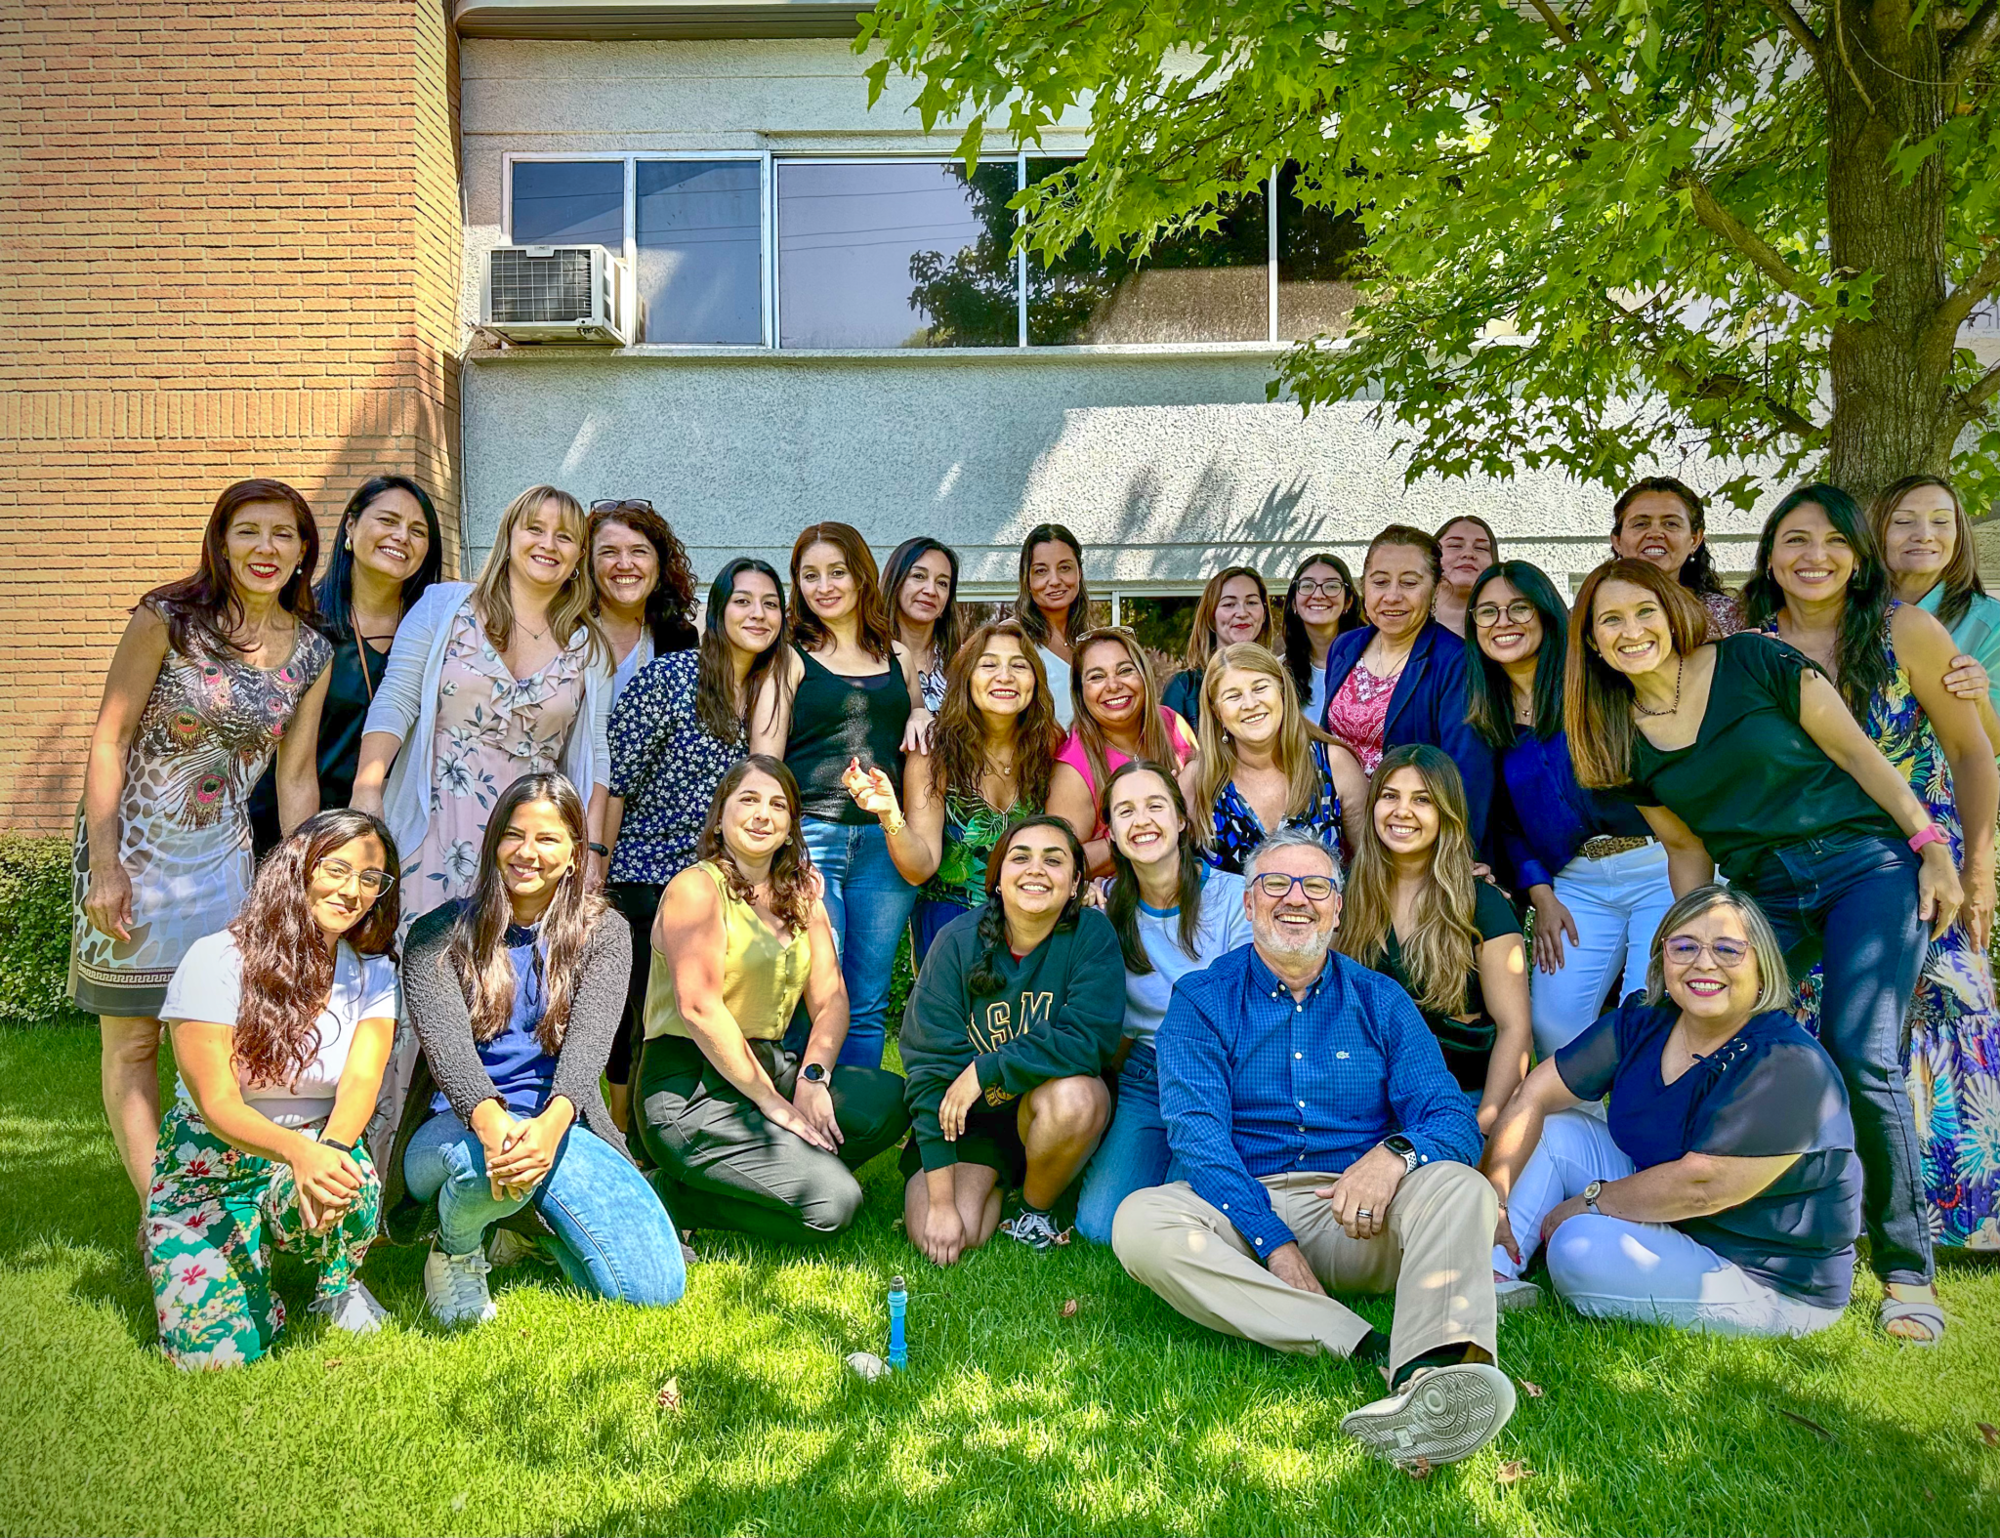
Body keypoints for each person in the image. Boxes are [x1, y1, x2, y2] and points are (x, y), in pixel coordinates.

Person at [1566, 557, 1961, 1343]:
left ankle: (1906, 1272)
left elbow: (1857, 754)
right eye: (1609, 622)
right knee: (1677, 1019)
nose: (1631, 631)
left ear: (1672, 610)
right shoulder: (1622, 736)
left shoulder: (1753, 659)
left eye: (1642, 610)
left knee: (1860, 1049)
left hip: (1863, 863)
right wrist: (1677, 951)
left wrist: (1930, 844)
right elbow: (1686, 852)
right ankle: (1704, 1211)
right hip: (1762, 893)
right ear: (1595, 646)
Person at [1113, 829, 1515, 1470]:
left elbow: (1449, 1118)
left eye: (1316, 885)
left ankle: (1438, 1376)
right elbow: (1198, 1135)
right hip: (1246, 1208)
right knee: (1139, 1222)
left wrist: (1392, 1157)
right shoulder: (1202, 999)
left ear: (1338, 906)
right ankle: (1358, 1343)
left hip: (1362, 1212)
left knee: (1461, 1185)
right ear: (1248, 904)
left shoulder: (1382, 1000)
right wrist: (1272, 1242)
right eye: (1276, 884)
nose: (1295, 899)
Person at [1743, 483, 1999, 1258]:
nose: (1814, 557)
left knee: (1925, 1028)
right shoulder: (1753, 649)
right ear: (1769, 557)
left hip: (1927, 857)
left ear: (1858, 557)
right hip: (1810, 869)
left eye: (1832, 542)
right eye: (1794, 540)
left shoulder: (1907, 630)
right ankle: (1838, 1205)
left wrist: (1979, 868)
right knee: (1826, 1030)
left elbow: (1971, 751)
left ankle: (1956, 1215)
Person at [72, 477, 335, 1197]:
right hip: (133, 853)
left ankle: (210, 1189)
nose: (266, 548)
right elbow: (109, 740)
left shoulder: (313, 650)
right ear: (221, 541)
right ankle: (161, 1210)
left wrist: (302, 884)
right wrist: (105, 863)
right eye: (249, 530)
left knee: (214, 1038)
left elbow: (297, 776)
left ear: (305, 551)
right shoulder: (168, 618)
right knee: (131, 1042)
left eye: (284, 534)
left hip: (224, 860)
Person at [1485, 887, 1865, 1336]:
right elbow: (1534, 1095)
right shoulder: (1647, 1021)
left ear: (1762, 966)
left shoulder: (1786, 1062)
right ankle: (1491, 1273)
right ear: (1662, 957)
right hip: (1677, 1220)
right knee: (1555, 1129)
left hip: (1762, 1274)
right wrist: (1494, 1197)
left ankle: (1570, 1250)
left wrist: (1589, 1203)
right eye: (1684, 946)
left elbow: (1704, 1186)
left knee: (1578, 1245)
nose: (1704, 963)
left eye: (1728, 949)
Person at [384, 772, 684, 1325]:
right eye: (514, 835)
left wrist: (546, 1131)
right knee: (486, 1166)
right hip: (456, 1130)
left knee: (653, 1288)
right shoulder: (435, 935)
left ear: (575, 854)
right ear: (494, 842)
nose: (528, 852)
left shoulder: (607, 935)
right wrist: (497, 1127)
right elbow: (452, 1060)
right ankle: (456, 1248)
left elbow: (588, 1053)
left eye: (547, 839)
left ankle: (524, 1227)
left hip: (559, 1127)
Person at [145, 809, 401, 1368]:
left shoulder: (374, 972)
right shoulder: (216, 959)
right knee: (216, 1360)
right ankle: (239, 1273)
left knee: (349, 1180)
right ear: (299, 867)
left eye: (370, 878)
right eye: (336, 869)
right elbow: (216, 1104)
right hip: (209, 1170)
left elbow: (361, 1079)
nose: (353, 890)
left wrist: (329, 1153)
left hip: (311, 1149)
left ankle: (337, 1287)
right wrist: (296, 1152)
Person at [635, 757, 911, 1240]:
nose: (763, 814)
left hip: (772, 1068)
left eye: (778, 805)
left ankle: (772, 1168)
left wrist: (812, 1078)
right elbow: (698, 1007)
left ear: (789, 828)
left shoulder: (802, 894)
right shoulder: (696, 888)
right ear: (720, 817)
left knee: (890, 1101)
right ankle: (671, 1196)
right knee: (833, 1204)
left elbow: (831, 1000)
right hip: (691, 1088)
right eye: (749, 800)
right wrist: (772, 1103)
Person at [353, 484, 612, 923]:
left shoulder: (588, 648)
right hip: (432, 819)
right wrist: (367, 792)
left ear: (578, 556)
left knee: (505, 972)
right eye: (535, 529)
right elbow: (395, 700)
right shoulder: (443, 609)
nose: (548, 544)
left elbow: (596, 757)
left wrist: (590, 853)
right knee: (419, 960)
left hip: (526, 844)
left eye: (564, 537)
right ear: (509, 536)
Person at [601, 558, 789, 1129]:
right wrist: (595, 867)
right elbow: (615, 781)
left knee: (702, 1018)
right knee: (634, 1021)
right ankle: (622, 1137)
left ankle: (693, 1133)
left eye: (770, 604)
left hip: (722, 887)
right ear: (717, 609)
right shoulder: (669, 678)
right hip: (648, 875)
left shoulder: (768, 693)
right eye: (743, 601)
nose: (757, 614)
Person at [1464, 561, 1674, 1057]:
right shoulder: (1488, 713)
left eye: (1519, 607)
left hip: (1657, 866)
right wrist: (1541, 893)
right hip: (1577, 885)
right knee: (1552, 1028)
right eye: (1488, 612)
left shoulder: (1600, 684)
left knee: (1644, 1012)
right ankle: (1590, 1133)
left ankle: (1638, 1130)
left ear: (1546, 614)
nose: (1503, 621)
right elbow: (1509, 822)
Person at [899, 816, 1123, 1260]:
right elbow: (928, 1073)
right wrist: (943, 1202)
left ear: (1077, 882)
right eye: (1021, 858)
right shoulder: (957, 941)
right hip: (968, 1118)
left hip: (1048, 1107)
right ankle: (995, 1177)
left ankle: (1035, 1208)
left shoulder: (1092, 936)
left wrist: (987, 1068)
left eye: (1053, 861)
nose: (1036, 870)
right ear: (999, 878)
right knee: (947, 1234)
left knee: (1078, 1098)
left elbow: (1088, 1039)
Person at [750, 523, 930, 1070]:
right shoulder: (790, 657)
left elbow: (911, 726)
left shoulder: (899, 658)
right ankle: (804, 1109)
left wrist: (921, 710)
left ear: (860, 577)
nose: (823, 586)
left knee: (869, 996)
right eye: (809, 576)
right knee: (815, 989)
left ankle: (853, 1123)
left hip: (885, 844)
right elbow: (765, 759)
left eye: (836, 572)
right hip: (814, 840)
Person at [1073, 762, 1252, 1244]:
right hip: (1148, 1076)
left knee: (1192, 1215)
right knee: (1097, 1227)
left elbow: (1246, 1006)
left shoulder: (1235, 898)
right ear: (1112, 833)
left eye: (1155, 806)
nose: (1143, 820)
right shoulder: (1104, 908)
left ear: (1181, 819)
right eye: (1125, 811)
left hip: (1223, 1075)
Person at [845, 619, 1066, 962]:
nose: (1004, 676)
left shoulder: (1048, 745)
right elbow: (920, 867)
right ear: (966, 679)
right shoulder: (934, 751)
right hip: (952, 930)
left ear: (1035, 681)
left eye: (1018, 665)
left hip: (1033, 923)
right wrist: (890, 815)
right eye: (989, 664)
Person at [1338, 746, 1533, 1133]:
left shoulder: (1480, 901)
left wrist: (1484, 1125)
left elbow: (1516, 1030)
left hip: (1461, 1099)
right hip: (1369, 1104)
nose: (1402, 811)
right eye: (1389, 795)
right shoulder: (1347, 896)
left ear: (1447, 812)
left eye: (1422, 799)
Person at [248, 474, 444, 855]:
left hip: (405, 836)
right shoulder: (299, 623)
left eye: (417, 530)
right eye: (388, 521)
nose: (401, 536)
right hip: (296, 830)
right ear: (351, 526)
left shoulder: (441, 631)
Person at [1321, 525, 1496, 846]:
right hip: (1335, 834)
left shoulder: (1456, 660)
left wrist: (1459, 852)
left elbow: (1469, 773)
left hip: (1409, 841)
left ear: (1436, 588)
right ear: (1364, 586)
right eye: (1380, 582)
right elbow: (1324, 744)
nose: (1392, 596)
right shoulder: (1344, 647)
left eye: (1410, 583)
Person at [1185, 642, 1364, 876]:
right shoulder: (1197, 780)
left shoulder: (1335, 764)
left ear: (1281, 690)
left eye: (1260, 688)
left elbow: (1369, 865)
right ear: (1217, 712)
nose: (1250, 704)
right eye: (1233, 696)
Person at [1048, 626, 1198, 876]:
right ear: (1080, 691)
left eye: (1125, 671)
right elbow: (1060, 862)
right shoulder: (1072, 768)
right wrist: (1135, 832)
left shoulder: (1172, 724)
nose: (1114, 685)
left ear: (1144, 675)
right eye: (1096, 677)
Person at [1871, 474, 2000, 748]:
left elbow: (1996, 746)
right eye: (1903, 521)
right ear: (1875, 532)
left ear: (1958, 534)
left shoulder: (1991, 623)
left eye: (1941, 521)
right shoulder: (1841, 609)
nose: (1924, 535)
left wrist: (1978, 699)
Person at [587, 498, 699, 706]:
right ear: (589, 565)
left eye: (638, 551)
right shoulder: (564, 634)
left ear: (660, 565)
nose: (625, 564)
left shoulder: (680, 639)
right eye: (609, 552)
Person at [1610, 476, 1744, 638]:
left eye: (1671, 524)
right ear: (1617, 541)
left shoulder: (1728, 617)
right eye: (1641, 524)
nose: (1655, 534)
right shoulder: (1589, 613)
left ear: (1694, 540)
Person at [1161, 567, 1275, 729]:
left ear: (1263, 614)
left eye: (1251, 602)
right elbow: (1167, 752)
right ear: (1211, 617)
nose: (1242, 613)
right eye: (1229, 604)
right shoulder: (1184, 689)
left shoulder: (1281, 680)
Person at [1012, 523, 1090, 729]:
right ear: (1026, 579)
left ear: (1079, 573)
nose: (1054, 580)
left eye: (1065, 568)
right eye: (1041, 571)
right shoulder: (1013, 638)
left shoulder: (1092, 642)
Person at [1280, 552, 1362, 723]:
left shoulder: (1374, 663)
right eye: (1307, 585)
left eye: (1331, 586)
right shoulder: (1279, 672)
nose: (1318, 595)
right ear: (1294, 603)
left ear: (1348, 601)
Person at [884, 536, 963, 712]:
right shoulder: (867, 656)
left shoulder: (963, 663)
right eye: (919, 576)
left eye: (942, 583)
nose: (931, 590)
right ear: (895, 582)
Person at [1430, 515, 1497, 638]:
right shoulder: (1407, 620)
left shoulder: (1505, 624)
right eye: (1455, 545)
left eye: (1481, 548)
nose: (1469, 554)